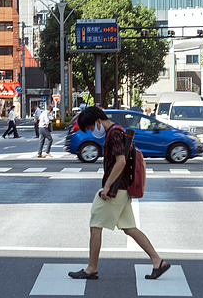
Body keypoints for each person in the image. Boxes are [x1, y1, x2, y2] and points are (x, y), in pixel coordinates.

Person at [68, 107, 170, 281]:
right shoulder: (118, 130)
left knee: (95, 226)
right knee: (129, 228)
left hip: (116, 190)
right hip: (123, 188)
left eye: (92, 128)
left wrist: (107, 186)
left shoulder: (113, 134)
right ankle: (157, 261)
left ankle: (92, 268)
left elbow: (120, 162)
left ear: (98, 122)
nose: (93, 132)